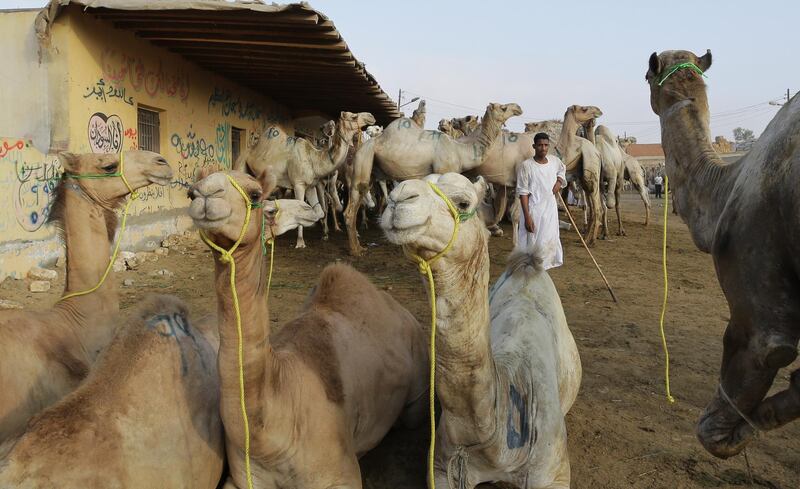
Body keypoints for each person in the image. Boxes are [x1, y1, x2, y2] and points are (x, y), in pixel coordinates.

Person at [516, 132, 567, 270]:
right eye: (539, 145)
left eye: (545, 145)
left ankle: (544, 269)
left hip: (550, 210)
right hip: (534, 211)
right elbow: (523, 193)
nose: (543, 148)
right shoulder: (526, 166)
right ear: (534, 146)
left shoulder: (554, 161)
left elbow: (562, 169)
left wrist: (559, 181)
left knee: (548, 240)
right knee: (532, 243)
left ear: (548, 146)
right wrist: (527, 217)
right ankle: (531, 271)